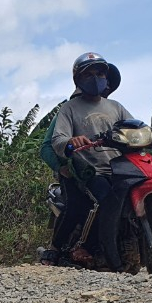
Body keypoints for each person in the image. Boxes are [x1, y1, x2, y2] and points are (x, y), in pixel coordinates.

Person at [45, 52, 131, 265]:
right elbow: (55, 141)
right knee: (93, 201)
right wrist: (71, 144)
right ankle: (74, 246)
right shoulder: (69, 109)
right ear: (78, 80)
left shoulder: (116, 107)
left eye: (100, 74)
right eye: (89, 74)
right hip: (86, 168)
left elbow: (134, 127)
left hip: (117, 167)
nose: (96, 79)